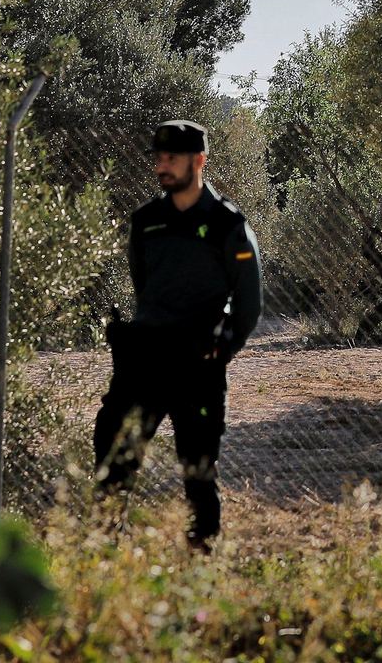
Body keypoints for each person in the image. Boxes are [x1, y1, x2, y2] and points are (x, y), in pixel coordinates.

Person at [94, 119, 263, 549]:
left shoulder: (228, 225)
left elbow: (248, 305)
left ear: (199, 161)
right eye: (159, 158)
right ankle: (108, 558)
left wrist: (221, 351)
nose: (162, 166)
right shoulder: (146, 221)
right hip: (144, 363)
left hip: (198, 366)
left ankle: (201, 560)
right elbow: (144, 285)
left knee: (198, 472)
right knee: (114, 460)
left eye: (172, 158)